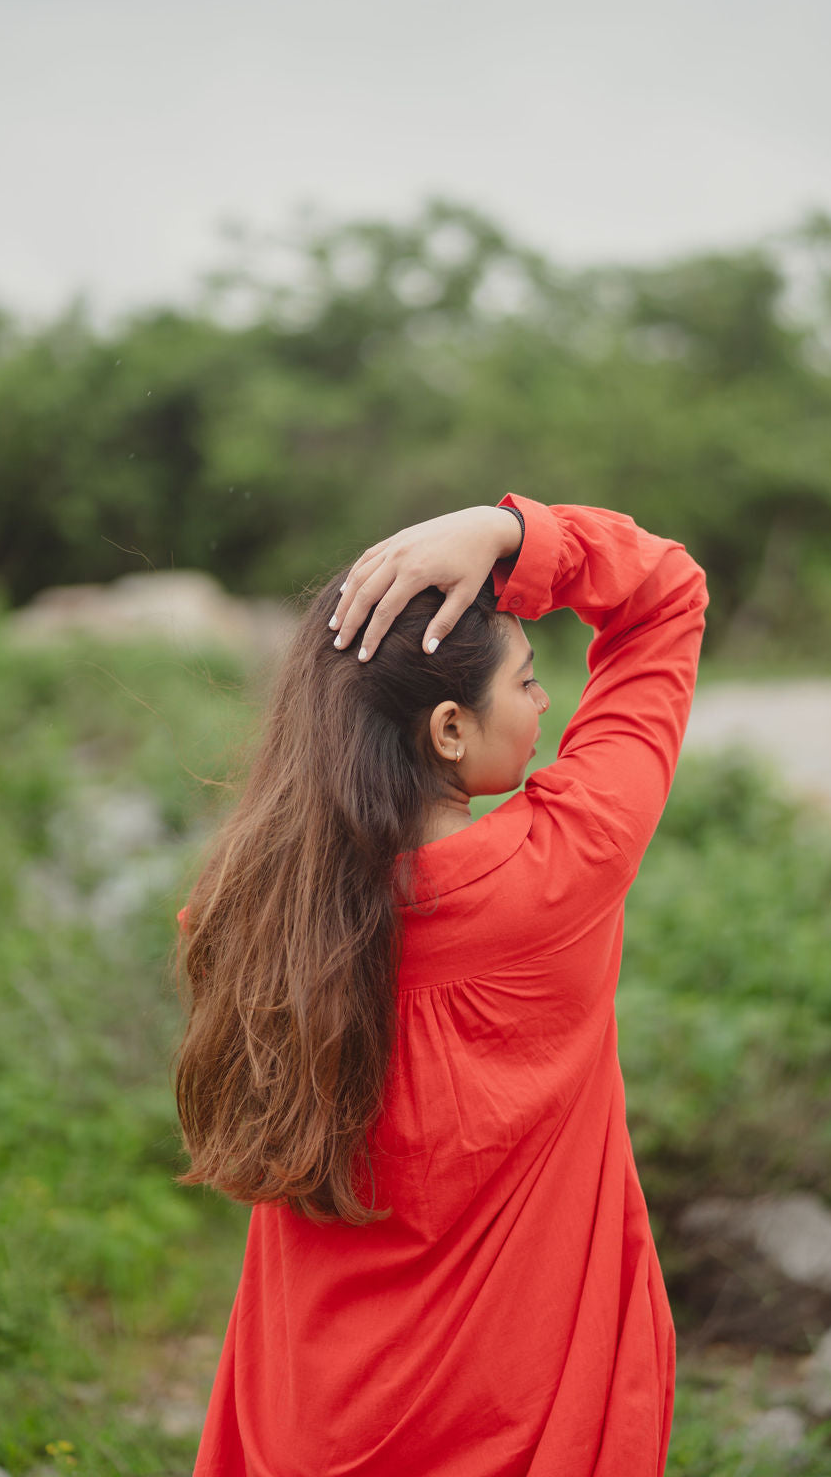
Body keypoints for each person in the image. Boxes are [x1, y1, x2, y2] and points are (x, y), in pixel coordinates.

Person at [175, 494, 708, 1477]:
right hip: (525, 1419)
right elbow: (663, 594)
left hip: (311, 1418)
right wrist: (510, 532)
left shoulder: (254, 914)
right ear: (452, 729)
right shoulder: (563, 870)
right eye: (530, 679)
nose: (546, 702)